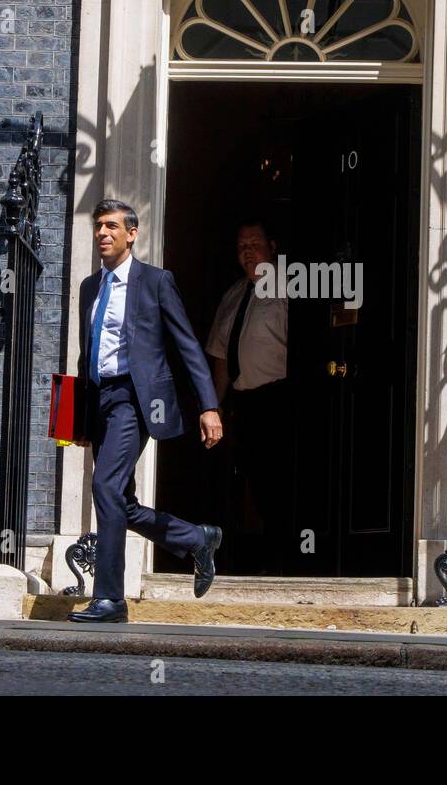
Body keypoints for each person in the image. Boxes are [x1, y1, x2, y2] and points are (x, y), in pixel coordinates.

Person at [67, 199, 224, 624]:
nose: (103, 233)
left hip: (135, 401)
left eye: (112, 226)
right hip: (99, 402)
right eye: (99, 226)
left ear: (131, 233)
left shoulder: (155, 282)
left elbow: (188, 346)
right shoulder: (89, 287)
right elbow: (87, 357)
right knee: (121, 500)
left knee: (104, 487)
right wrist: (80, 418)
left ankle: (110, 598)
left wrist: (208, 406)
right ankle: (197, 538)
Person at [206, 218, 290, 575]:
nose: (248, 251)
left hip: (281, 400)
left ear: (272, 247)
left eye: (255, 243)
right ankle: (257, 557)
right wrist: (215, 404)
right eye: (242, 246)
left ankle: (288, 558)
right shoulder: (233, 295)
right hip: (245, 403)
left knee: (281, 482)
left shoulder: (291, 288)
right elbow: (221, 356)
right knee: (252, 481)